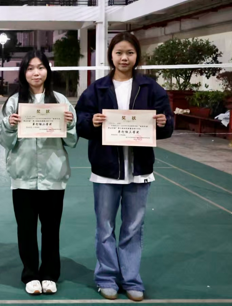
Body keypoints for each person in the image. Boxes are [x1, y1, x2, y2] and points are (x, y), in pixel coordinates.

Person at [75, 32, 174, 302]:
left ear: (137, 55)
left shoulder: (151, 88)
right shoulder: (97, 88)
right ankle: (106, 278)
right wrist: (91, 122)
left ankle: (131, 279)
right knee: (105, 228)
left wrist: (164, 123)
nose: (124, 58)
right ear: (111, 56)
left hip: (139, 170)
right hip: (105, 170)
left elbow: (167, 123)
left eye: (129, 52)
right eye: (119, 52)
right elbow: (80, 120)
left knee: (133, 228)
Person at [0, 50, 77, 296]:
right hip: (23, 176)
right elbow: (3, 139)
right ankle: (30, 274)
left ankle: (50, 274)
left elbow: (72, 140)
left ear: (47, 71)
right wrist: (9, 125)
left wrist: (70, 123)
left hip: (54, 176)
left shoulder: (60, 101)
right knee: (26, 230)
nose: (36, 73)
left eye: (40, 67)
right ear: (23, 72)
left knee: (51, 230)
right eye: (30, 68)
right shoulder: (13, 102)